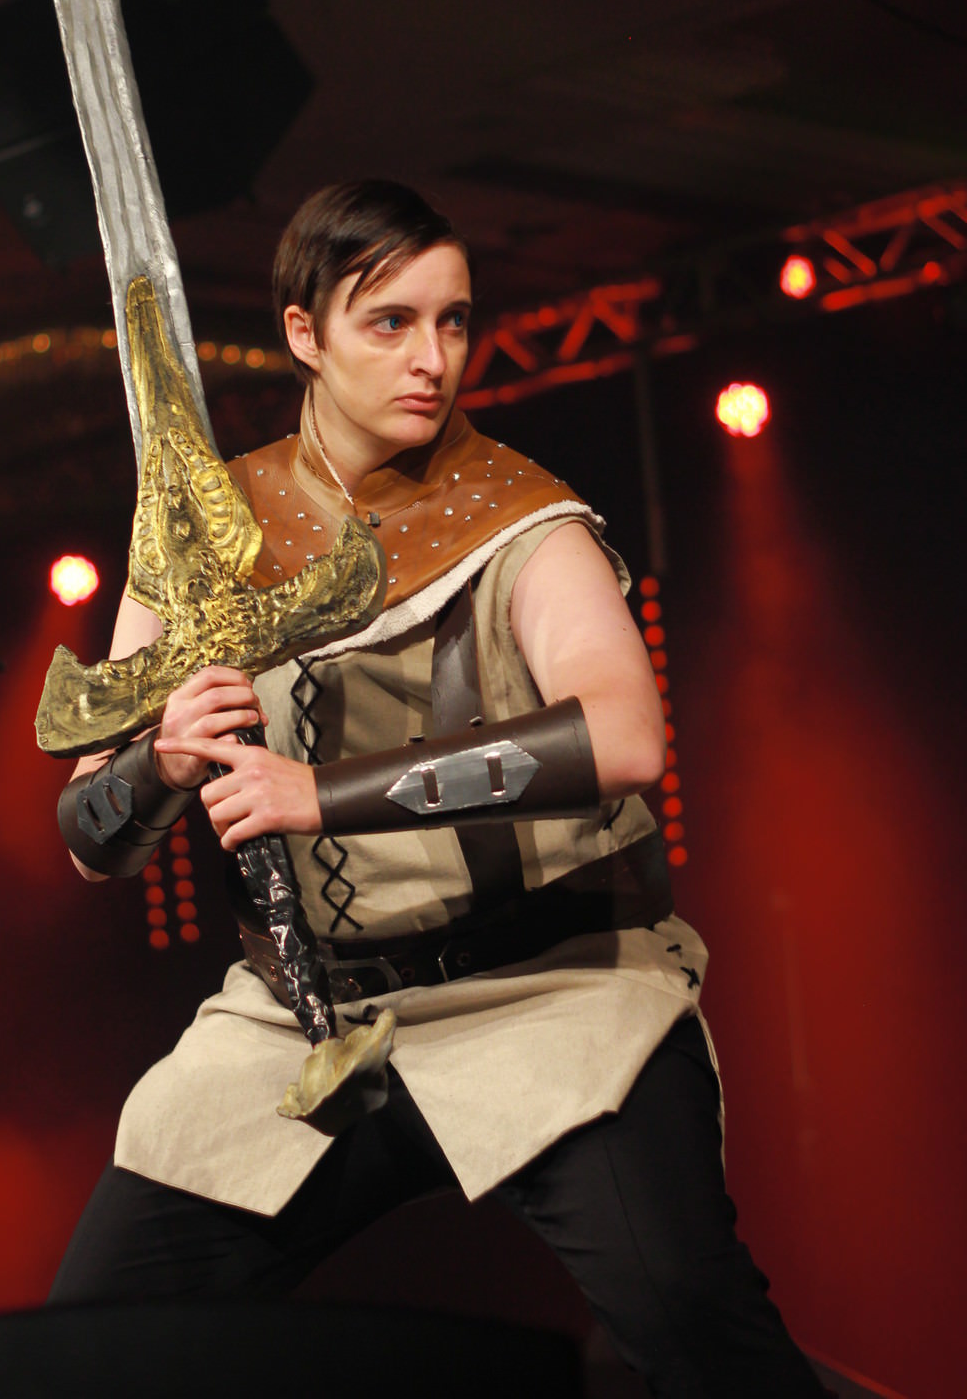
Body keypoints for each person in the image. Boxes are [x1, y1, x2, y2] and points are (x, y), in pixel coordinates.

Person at [50, 180, 823, 1397]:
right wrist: (164, 760)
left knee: (690, 1322)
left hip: (549, 991)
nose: (433, 358)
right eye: (391, 322)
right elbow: (91, 840)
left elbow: (627, 739)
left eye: (453, 321)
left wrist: (320, 795)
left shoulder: (522, 519)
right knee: (88, 1352)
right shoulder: (201, 535)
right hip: (304, 1019)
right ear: (304, 333)